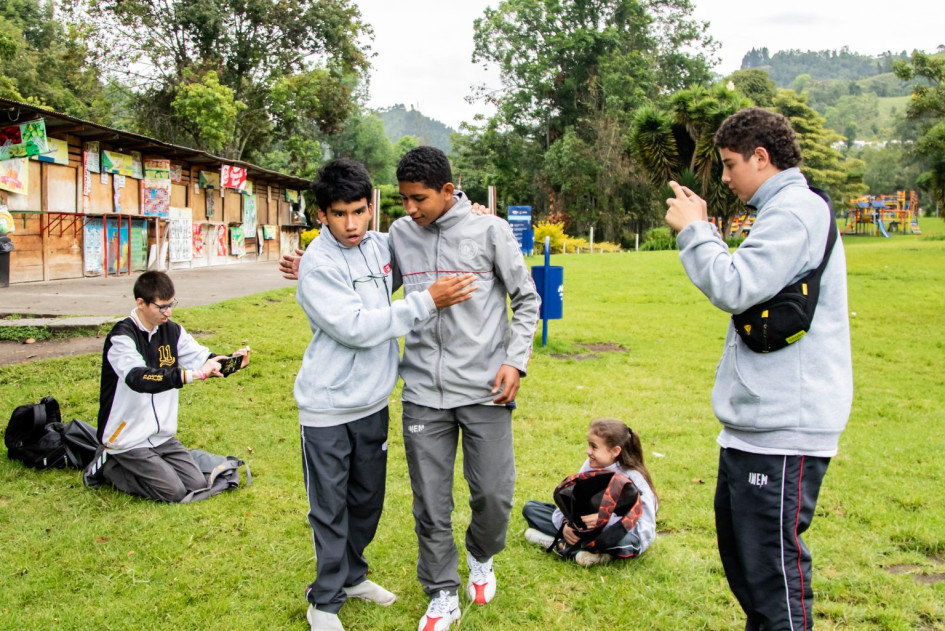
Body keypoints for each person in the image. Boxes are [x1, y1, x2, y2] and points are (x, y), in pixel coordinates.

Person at [664, 106, 853, 631]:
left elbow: (734, 285)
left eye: (729, 164)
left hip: (784, 428)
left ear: (761, 157)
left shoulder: (794, 211)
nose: (725, 178)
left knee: (772, 579)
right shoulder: (785, 210)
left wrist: (696, 232)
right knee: (750, 573)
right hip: (758, 426)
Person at [292, 158, 477, 631]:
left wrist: (468, 210)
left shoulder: (381, 245)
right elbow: (356, 327)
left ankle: (353, 576)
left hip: (374, 401)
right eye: (339, 214)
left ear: (370, 207)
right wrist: (425, 302)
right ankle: (325, 602)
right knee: (330, 508)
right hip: (328, 408)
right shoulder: (318, 264)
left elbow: (417, 248)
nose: (351, 224)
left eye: (358, 211)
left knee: (366, 501)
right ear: (322, 216)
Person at [389, 146, 541, 631]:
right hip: (422, 394)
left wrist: (515, 363)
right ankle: (441, 592)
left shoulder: (489, 230)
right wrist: (313, 265)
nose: (411, 209)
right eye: (404, 199)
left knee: (494, 496)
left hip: (485, 390)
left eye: (420, 199)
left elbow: (527, 298)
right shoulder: (399, 235)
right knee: (430, 501)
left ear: (449, 192)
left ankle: (481, 555)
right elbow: (368, 282)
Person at [91, 271, 250, 503]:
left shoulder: (172, 331)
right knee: (174, 493)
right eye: (162, 307)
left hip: (161, 436)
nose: (169, 312)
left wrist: (232, 363)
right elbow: (139, 378)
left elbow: (203, 359)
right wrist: (191, 375)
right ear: (141, 303)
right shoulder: (121, 337)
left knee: (196, 485)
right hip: (126, 437)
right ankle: (109, 466)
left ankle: (157, 465)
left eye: (171, 304)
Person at [522, 418, 658, 567]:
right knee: (531, 508)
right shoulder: (590, 465)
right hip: (585, 528)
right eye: (589, 445)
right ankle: (577, 547)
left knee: (626, 542)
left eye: (594, 447)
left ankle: (560, 545)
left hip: (616, 533)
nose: (588, 451)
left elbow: (645, 528)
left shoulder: (633, 478)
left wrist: (605, 522)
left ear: (615, 451)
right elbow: (572, 502)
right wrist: (566, 525)